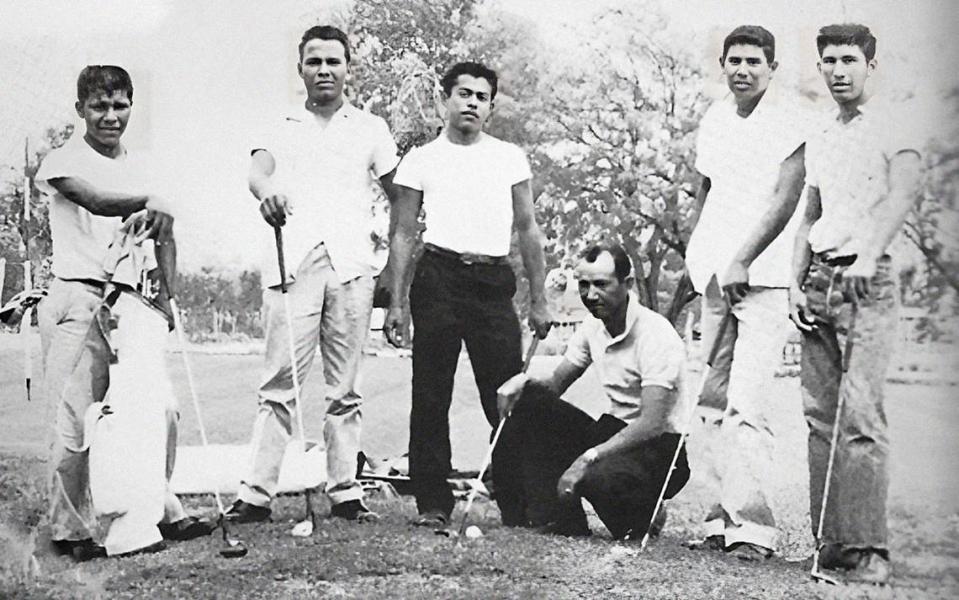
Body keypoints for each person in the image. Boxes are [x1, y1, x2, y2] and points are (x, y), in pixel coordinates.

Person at [225, 25, 400, 524]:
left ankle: (345, 489)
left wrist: (391, 258)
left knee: (345, 387)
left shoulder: (371, 127)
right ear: (300, 67)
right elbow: (258, 172)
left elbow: (401, 195)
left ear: (348, 68)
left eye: (333, 62)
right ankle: (256, 494)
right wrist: (267, 194)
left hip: (351, 266)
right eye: (314, 61)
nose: (324, 70)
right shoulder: (278, 121)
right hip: (292, 262)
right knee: (279, 382)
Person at [35, 65, 209, 560]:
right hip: (77, 296)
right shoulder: (61, 160)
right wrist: (150, 199)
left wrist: (169, 297)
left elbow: (165, 231)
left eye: (120, 106)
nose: (110, 117)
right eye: (99, 106)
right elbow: (94, 199)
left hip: (133, 301)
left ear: (131, 106)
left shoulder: (144, 165)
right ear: (80, 110)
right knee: (78, 421)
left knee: (160, 410)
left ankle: (158, 507)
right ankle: (70, 529)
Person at [384, 61, 551, 528]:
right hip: (437, 277)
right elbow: (402, 234)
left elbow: (528, 228)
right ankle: (432, 502)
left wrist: (540, 297)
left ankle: (518, 502)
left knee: (505, 394)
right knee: (431, 393)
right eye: (463, 93)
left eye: (481, 96)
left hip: (492, 282)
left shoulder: (508, 157)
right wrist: (397, 303)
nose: (472, 102)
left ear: (491, 107)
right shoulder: (420, 159)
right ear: (445, 99)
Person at [790, 24, 921, 585]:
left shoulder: (895, 123)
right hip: (819, 278)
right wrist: (794, 280)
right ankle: (834, 543)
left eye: (848, 59)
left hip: (870, 278)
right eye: (828, 60)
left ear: (871, 64)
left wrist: (870, 255)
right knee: (820, 418)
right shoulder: (820, 131)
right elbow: (810, 214)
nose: (838, 70)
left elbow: (905, 191)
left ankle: (871, 549)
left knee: (861, 416)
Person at [684, 25, 808, 560]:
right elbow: (705, 192)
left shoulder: (791, 118)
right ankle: (720, 518)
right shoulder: (714, 118)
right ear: (723, 65)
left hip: (766, 278)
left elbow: (787, 197)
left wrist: (743, 258)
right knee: (710, 403)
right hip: (715, 278)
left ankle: (754, 529)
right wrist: (700, 257)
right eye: (734, 60)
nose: (742, 69)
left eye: (754, 61)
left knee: (747, 405)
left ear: (772, 68)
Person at [495, 243, 688, 539]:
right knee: (531, 401)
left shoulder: (657, 335)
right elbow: (556, 385)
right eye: (584, 285)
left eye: (601, 284)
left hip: (660, 448)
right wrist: (522, 383)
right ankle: (561, 519)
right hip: (614, 431)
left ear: (627, 284)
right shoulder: (591, 326)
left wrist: (587, 458)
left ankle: (647, 512)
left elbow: (653, 423)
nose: (591, 295)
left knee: (599, 480)